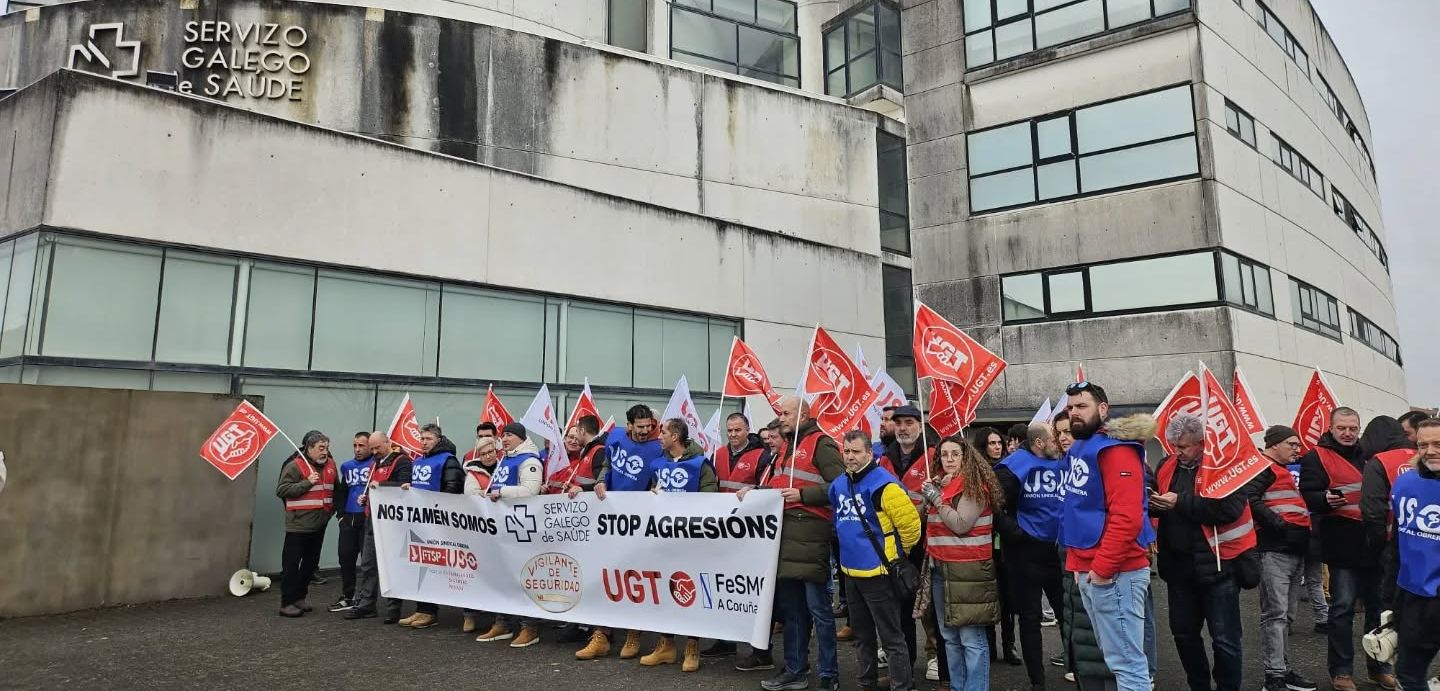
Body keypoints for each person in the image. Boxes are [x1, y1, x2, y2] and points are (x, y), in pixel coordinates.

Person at [1150, 413, 1268, 691]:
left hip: (1220, 567)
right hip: (1179, 568)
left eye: (1184, 446)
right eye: (1174, 446)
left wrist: (1180, 502)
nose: (1177, 452)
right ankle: (1199, 685)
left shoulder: (1223, 466)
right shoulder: (1167, 465)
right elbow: (1163, 503)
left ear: (1202, 443)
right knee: (1184, 635)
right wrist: (1153, 504)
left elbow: (1228, 509)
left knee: (1225, 640)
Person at [739, 396, 843, 691]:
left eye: (785, 413)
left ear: (803, 415)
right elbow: (778, 488)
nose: (780, 417)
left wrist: (804, 496)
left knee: (819, 611)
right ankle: (795, 669)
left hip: (810, 537)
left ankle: (828, 674)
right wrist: (755, 490)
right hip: (785, 539)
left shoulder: (820, 444)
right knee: (794, 610)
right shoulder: (786, 449)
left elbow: (840, 485)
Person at [1059, 381, 1155, 691]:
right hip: (1093, 569)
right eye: (1071, 407)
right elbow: (1078, 510)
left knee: (1127, 664)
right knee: (1117, 660)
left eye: (1081, 406)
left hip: (1116, 572)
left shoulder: (1116, 451)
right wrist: (1078, 566)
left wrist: (1100, 570)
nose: (1074, 413)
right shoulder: (1082, 447)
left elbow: (1126, 518)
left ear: (1102, 409)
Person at [1299, 407, 1397, 691]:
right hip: (1342, 544)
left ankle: (1379, 667)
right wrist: (1322, 498)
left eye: (1353, 428)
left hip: (1376, 543)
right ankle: (1341, 672)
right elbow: (1307, 493)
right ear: (1331, 428)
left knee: (1379, 611)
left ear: (1359, 428)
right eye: (1342, 427)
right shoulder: (1315, 456)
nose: (1348, 433)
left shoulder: (1371, 455)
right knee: (1341, 609)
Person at [571, 405, 666, 662]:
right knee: (604, 575)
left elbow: (659, 477)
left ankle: (633, 633)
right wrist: (601, 481)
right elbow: (609, 465)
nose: (646, 431)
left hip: (636, 519)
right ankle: (601, 635)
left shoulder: (658, 447)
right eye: (641, 426)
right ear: (630, 424)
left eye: (650, 426)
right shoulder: (614, 436)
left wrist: (655, 491)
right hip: (609, 516)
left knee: (632, 578)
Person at [831, 430, 922, 691]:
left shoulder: (885, 485)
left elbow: (911, 527)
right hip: (851, 572)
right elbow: (838, 521)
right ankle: (866, 683)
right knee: (862, 636)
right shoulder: (839, 484)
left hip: (879, 573)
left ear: (870, 453)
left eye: (856, 452)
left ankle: (901, 686)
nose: (850, 457)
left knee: (892, 638)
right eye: (847, 451)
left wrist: (894, 555)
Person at [635, 418, 719, 673]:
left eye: (663, 432)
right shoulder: (658, 464)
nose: (657, 435)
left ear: (676, 437)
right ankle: (666, 645)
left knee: (689, 590)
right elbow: (653, 492)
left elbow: (709, 501)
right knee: (664, 589)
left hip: (690, 540)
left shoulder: (700, 465)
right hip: (664, 539)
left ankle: (692, 645)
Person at [920, 436, 1002, 691]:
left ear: (966, 457)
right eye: (944, 455)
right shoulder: (942, 485)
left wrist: (935, 498)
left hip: (969, 570)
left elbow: (960, 524)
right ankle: (958, 686)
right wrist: (930, 496)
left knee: (971, 638)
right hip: (941, 567)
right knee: (949, 637)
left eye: (955, 454)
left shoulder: (975, 486)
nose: (949, 460)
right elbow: (926, 520)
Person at [994, 423, 1066, 691]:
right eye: (1053, 439)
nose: (1058, 443)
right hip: (1026, 552)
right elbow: (997, 507)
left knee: (1066, 613)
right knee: (1030, 616)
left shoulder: (1063, 461)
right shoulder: (1012, 467)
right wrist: (1018, 535)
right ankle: (1037, 680)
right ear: (1038, 443)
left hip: (1059, 549)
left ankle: (1076, 668)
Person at [1248, 425, 1319, 691]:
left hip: (1291, 549)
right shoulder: (1262, 467)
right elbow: (1250, 499)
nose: (1297, 449)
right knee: (1276, 615)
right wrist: (1280, 526)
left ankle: (1282, 669)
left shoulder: (1276, 469)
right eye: (1292, 444)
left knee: (1285, 616)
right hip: (1274, 550)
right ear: (1275, 444)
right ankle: (1274, 675)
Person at [703, 412, 769, 658]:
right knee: (723, 585)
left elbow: (766, 488)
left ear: (747, 429)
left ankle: (760, 647)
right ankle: (725, 640)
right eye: (729, 430)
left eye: (737, 430)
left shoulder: (761, 455)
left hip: (750, 532)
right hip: (722, 530)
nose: (732, 435)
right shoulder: (717, 454)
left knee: (751, 590)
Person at [474, 422, 545, 646]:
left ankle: (529, 627)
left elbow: (530, 490)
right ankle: (502, 622)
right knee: (501, 576)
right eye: (502, 435)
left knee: (524, 577)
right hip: (502, 526)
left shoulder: (529, 460)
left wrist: (501, 492)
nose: (504, 439)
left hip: (521, 527)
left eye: (509, 436)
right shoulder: (506, 458)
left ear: (521, 438)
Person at [880, 405, 938, 672]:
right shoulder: (885, 458)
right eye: (898, 422)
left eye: (908, 422)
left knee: (929, 604)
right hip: (896, 543)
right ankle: (905, 667)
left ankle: (935, 655)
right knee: (900, 605)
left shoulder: (934, 454)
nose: (903, 427)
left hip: (927, 539)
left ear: (919, 425)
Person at [393, 423, 463, 630]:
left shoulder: (448, 460)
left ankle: (430, 612)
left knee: (431, 567)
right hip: (420, 521)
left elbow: (453, 488)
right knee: (419, 565)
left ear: (438, 440)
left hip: (436, 522)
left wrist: (438, 511)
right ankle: (422, 608)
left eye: (428, 439)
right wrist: (409, 489)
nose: (423, 443)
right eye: (421, 439)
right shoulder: (419, 461)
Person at [1387, 419, 1440, 691]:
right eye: (1423, 445)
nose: (1430, 451)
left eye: (1438, 444)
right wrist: (1390, 597)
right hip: (1414, 598)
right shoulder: (1405, 483)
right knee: (1408, 673)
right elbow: (1397, 543)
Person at [344, 432, 412, 623]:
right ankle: (366, 604)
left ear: (387, 443)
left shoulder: (402, 461)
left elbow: (405, 486)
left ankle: (393, 608)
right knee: (368, 564)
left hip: (393, 523)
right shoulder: (376, 463)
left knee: (392, 565)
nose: (374, 452)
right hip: (373, 519)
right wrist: (367, 497)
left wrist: (380, 486)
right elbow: (373, 489)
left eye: (377, 448)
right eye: (372, 449)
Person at [274, 430, 338, 618]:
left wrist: (331, 512)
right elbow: (282, 490)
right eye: (320, 448)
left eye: (326, 447)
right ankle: (287, 603)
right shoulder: (295, 465)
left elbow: (336, 489)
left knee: (310, 564)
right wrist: (306, 483)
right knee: (291, 565)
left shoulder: (331, 465)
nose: (324, 452)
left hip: (319, 524)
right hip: (298, 525)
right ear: (309, 449)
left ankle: (300, 597)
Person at [1359, 416, 1418, 608]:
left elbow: (1373, 509)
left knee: (1389, 604)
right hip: (1425, 542)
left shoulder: (1379, 462)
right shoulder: (1423, 456)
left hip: (1392, 544)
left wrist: (1375, 544)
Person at [972, 426, 1018, 666]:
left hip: (1005, 541)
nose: (997, 447)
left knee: (1008, 597)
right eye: (991, 443)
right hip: (984, 541)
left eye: (999, 442)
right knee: (988, 596)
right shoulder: (976, 472)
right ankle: (989, 646)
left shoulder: (1010, 468)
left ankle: (1009, 645)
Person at [460, 435, 499, 635]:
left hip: (498, 527)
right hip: (478, 527)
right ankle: (469, 615)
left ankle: (497, 616)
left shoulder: (503, 466)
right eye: (483, 454)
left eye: (490, 452)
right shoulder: (473, 472)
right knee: (473, 571)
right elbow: (471, 495)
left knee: (496, 572)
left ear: (496, 451)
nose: (487, 456)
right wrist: (488, 494)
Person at [331, 431, 373, 613]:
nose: (357, 449)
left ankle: (364, 599)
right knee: (345, 559)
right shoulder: (346, 466)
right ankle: (348, 596)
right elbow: (341, 492)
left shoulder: (376, 465)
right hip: (348, 519)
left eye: (361, 445)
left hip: (366, 519)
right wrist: (341, 515)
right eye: (355, 445)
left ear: (371, 446)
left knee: (367, 562)